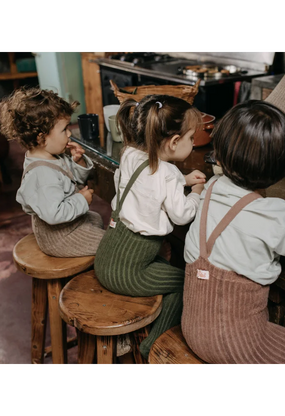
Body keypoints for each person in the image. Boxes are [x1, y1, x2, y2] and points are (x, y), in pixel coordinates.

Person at [182, 100, 285, 367]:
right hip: (239, 345)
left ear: (220, 154)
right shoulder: (276, 214)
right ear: (281, 167)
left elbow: (244, 215)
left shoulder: (211, 188)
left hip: (192, 330)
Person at [94, 94, 206, 359]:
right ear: (174, 142)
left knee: (165, 268)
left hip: (107, 257)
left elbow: (155, 176)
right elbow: (182, 215)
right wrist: (196, 192)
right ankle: (151, 345)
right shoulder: (166, 174)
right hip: (127, 273)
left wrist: (183, 179)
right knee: (183, 282)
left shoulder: (131, 153)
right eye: (191, 138)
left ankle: (139, 331)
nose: (192, 143)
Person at [0, 86, 105, 258]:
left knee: (96, 218)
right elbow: (54, 214)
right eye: (64, 129)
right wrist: (81, 199)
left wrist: (78, 161)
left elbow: (71, 180)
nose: (70, 133)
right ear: (41, 138)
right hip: (58, 236)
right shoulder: (41, 174)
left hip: (66, 225)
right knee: (111, 245)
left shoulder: (53, 155)